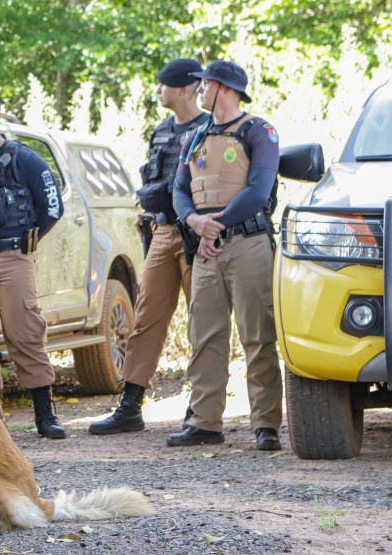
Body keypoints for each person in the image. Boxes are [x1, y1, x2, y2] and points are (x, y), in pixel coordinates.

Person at [89, 59, 207, 435]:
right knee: (146, 320)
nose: (158, 91)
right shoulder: (160, 131)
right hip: (164, 231)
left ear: (185, 89)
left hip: (197, 235)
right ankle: (131, 405)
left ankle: (200, 408)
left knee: (203, 322)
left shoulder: (209, 130)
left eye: (164, 85)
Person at [170, 60, 283, 450]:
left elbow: (259, 189)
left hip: (248, 244)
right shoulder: (196, 134)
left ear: (225, 88)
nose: (199, 90)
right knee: (205, 336)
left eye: (206, 84)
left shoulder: (259, 130)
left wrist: (214, 224)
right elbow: (179, 188)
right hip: (205, 247)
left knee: (258, 335)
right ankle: (204, 422)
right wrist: (193, 222)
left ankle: (266, 424)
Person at [0, 95, 67, 440]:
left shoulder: (26, 159)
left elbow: (52, 208)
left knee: (25, 332)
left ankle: (45, 414)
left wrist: (25, 242)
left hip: (14, 258)